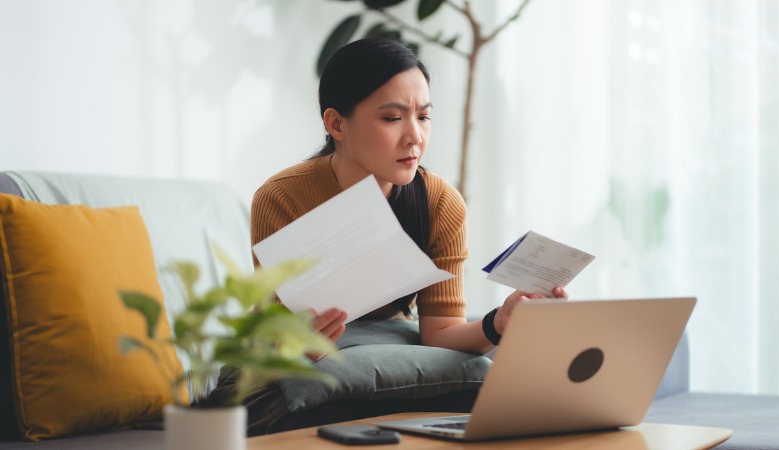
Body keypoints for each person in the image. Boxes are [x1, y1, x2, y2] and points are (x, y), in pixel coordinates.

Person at [213, 37, 567, 434]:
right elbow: (271, 326)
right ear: (336, 124)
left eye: (424, 116)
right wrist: (299, 345)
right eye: (393, 118)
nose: (414, 136)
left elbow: (440, 332)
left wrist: (497, 323)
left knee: (497, 391)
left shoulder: (439, 201)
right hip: (306, 356)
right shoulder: (283, 197)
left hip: (393, 347)